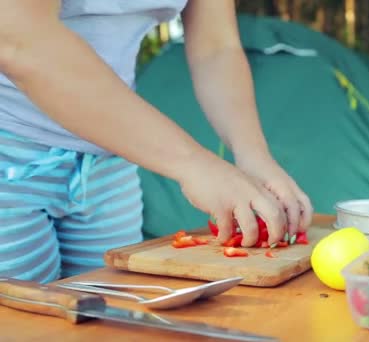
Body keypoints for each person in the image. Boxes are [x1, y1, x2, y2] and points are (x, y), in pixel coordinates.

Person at [0, 0, 313, 283]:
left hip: (109, 164)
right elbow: (17, 38)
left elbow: (217, 47)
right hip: (8, 157)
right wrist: (193, 164)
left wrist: (253, 155)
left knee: (110, 319)